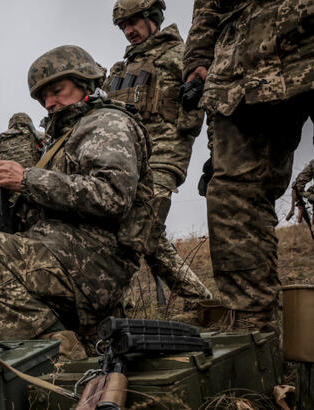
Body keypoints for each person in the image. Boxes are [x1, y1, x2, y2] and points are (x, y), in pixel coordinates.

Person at [0, 45, 155, 349]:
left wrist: (27, 179)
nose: (50, 103)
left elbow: (113, 195)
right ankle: (54, 334)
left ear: (85, 82)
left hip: (90, 264)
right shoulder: (63, 135)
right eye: (43, 98)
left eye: (57, 91)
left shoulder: (107, 123)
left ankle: (63, 346)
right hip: (58, 255)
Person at [183, 0, 313, 330]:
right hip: (241, 66)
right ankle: (252, 327)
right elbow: (207, 6)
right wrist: (197, 60)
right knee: (231, 195)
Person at [103, 0, 212, 303]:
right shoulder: (120, 69)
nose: (128, 31)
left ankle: (114, 308)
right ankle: (205, 303)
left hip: (165, 156)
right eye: (123, 26)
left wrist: (215, 155)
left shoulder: (181, 55)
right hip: (127, 161)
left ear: (153, 17)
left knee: (141, 229)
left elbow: (214, 101)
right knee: (148, 238)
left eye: (133, 22)